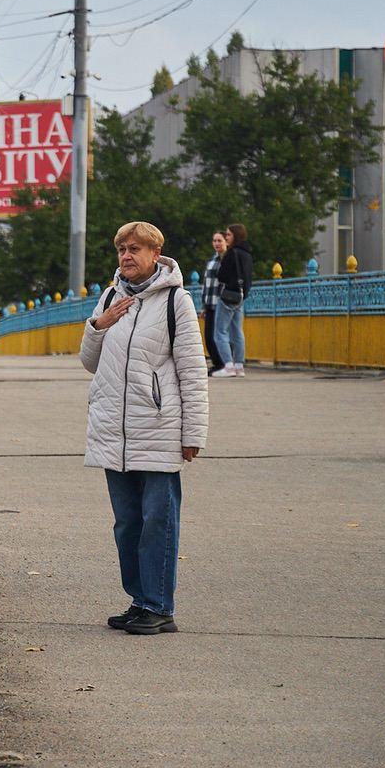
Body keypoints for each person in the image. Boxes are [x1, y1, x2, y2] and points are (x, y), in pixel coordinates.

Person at [80, 221, 208, 635]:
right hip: (113, 430)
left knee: (159, 519)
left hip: (158, 427)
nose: (126, 256)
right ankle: (140, 600)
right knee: (127, 523)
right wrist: (99, 325)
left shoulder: (176, 302)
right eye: (121, 249)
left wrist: (194, 434)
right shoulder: (109, 296)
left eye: (135, 249)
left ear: (156, 254)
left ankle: (158, 605)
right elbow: (89, 361)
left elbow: (192, 371)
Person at [212, 222, 252, 377]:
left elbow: (221, 276)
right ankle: (239, 366)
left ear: (235, 235)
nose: (226, 237)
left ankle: (228, 366)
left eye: (228, 234)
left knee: (220, 331)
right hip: (241, 297)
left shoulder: (232, 253)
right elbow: (248, 278)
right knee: (237, 332)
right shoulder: (247, 254)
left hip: (228, 295)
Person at [200, 231, 227, 374]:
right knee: (208, 337)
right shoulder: (212, 260)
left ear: (226, 242)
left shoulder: (227, 259)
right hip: (210, 303)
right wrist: (204, 305)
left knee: (218, 336)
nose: (216, 243)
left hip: (221, 303)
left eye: (219, 240)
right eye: (214, 240)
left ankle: (223, 364)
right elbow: (206, 283)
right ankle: (217, 363)